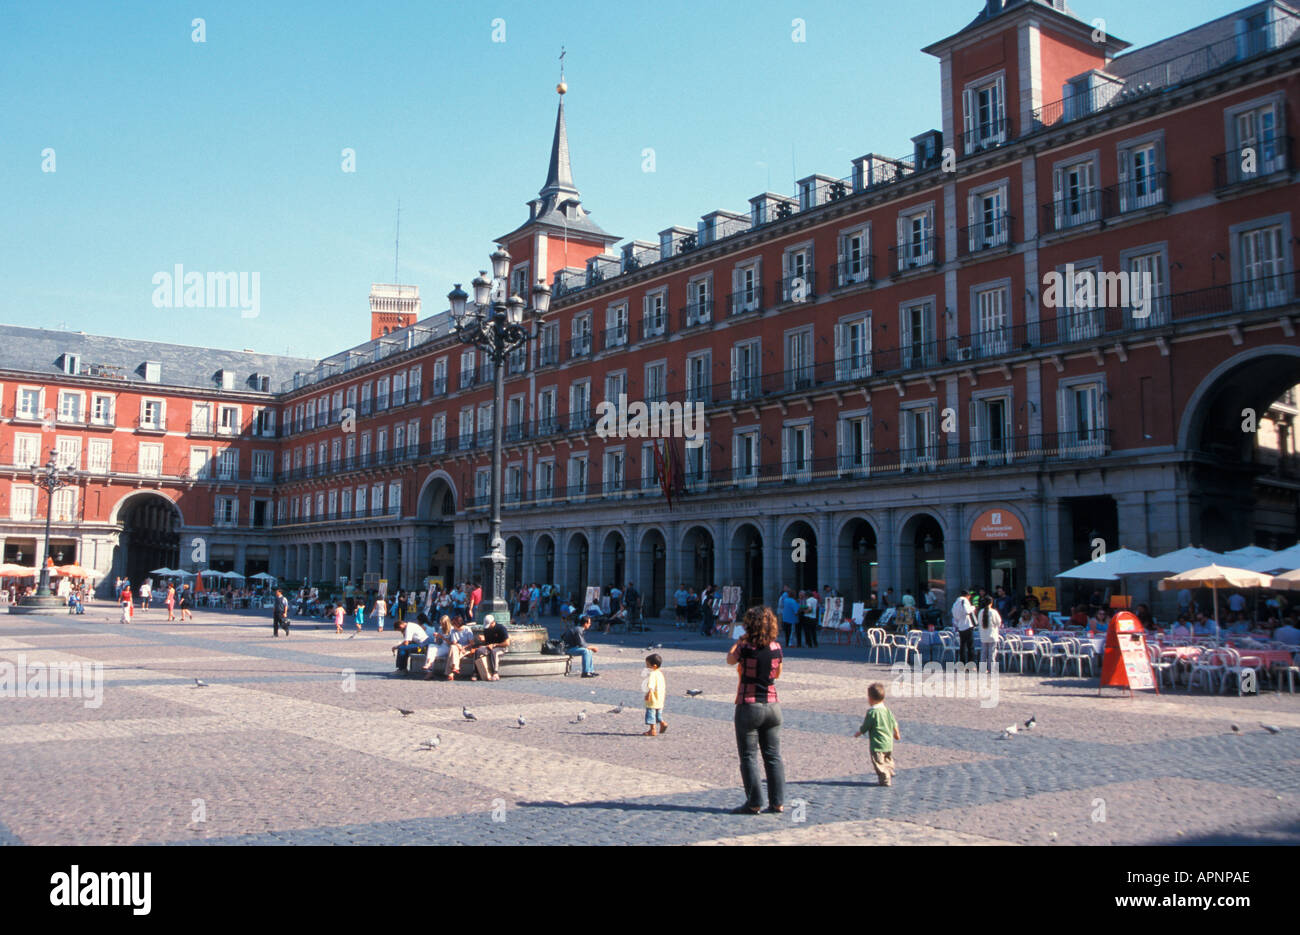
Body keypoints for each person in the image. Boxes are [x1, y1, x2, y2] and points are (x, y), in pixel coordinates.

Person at [727, 605, 785, 815]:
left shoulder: (745, 647)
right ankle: (777, 802)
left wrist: (740, 641)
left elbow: (730, 659)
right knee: (773, 756)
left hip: (748, 705)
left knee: (749, 756)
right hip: (772, 706)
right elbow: (777, 674)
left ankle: (754, 802)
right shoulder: (776, 647)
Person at [854, 682, 901, 787]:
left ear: (870, 699)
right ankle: (890, 769)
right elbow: (894, 722)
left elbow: (866, 725)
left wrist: (859, 732)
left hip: (877, 744)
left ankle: (885, 778)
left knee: (878, 763)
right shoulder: (887, 711)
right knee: (887, 758)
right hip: (888, 743)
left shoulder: (872, 713)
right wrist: (897, 733)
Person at [471, 614, 510, 681]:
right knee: (478, 651)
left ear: (493, 622)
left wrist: (495, 645)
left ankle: (495, 673)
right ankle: (475, 672)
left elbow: (507, 643)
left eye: (489, 625)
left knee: (494, 652)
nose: (488, 627)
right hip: (490, 647)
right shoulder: (487, 629)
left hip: (501, 647)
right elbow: (488, 642)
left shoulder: (501, 628)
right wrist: (484, 643)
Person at [643, 653, 667, 736]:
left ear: (654, 666)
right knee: (658, 713)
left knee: (650, 714)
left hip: (653, 698)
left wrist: (648, 694)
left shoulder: (652, 674)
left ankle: (652, 730)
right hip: (660, 698)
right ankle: (663, 723)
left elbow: (651, 685)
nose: (646, 667)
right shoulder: (660, 673)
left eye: (648, 665)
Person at [976, 596, 1001, 674]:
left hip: (983, 636)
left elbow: (979, 622)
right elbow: (999, 622)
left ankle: (982, 669)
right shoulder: (994, 612)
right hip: (992, 635)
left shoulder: (980, 612)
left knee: (983, 653)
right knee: (992, 653)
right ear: (991, 603)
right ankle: (992, 669)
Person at [951, 589, 975, 664]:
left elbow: (954, 613)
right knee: (970, 646)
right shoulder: (964, 601)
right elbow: (967, 611)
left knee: (962, 646)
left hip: (960, 626)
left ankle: (962, 663)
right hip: (967, 625)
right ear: (967, 595)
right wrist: (973, 607)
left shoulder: (956, 603)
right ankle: (971, 663)